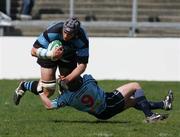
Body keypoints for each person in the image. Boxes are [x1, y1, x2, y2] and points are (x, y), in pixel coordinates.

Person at [13, 17, 89, 105]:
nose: (66, 36)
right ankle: (24, 85)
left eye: (70, 34)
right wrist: (51, 54)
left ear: (76, 33)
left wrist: (67, 79)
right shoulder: (53, 31)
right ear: (63, 28)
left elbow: (82, 65)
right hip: (48, 53)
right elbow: (33, 51)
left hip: (68, 56)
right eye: (65, 32)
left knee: (73, 86)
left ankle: (63, 86)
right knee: (48, 91)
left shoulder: (82, 39)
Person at [38, 74, 174, 123]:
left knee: (133, 101)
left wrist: (40, 92)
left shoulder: (67, 98)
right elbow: (91, 81)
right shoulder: (87, 80)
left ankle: (164, 104)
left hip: (101, 114)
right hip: (108, 101)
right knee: (135, 86)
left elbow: (49, 105)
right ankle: (150, 116)